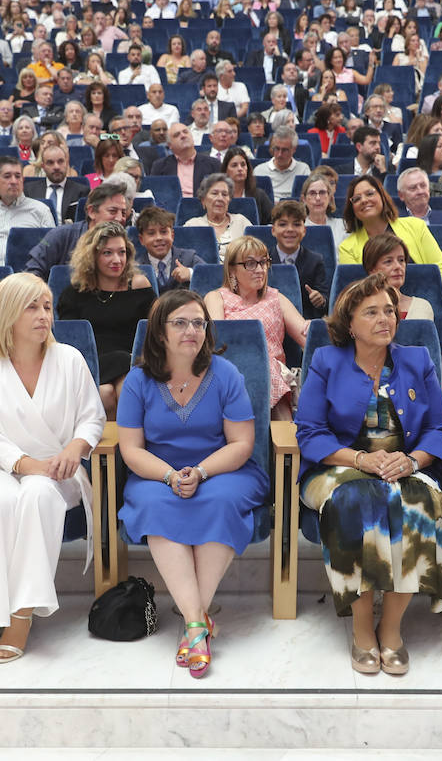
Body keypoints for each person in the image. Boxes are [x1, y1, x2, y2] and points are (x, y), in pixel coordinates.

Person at [294, 273, 442, 674]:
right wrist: (359, 460)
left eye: (389, 310)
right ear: (349, 323)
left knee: (418, 500)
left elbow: (439, 430)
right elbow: (310, 432)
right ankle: (361, 628)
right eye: (371, 312)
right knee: (360, 500)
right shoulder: (326, 361)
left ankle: (390, 628)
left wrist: (411, 461)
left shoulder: (417, 359)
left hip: (404, 465)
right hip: (338, 466)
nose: (384, 318)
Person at [117, 290, 268, 677]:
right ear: (159, 332)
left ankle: (193, 624)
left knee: (217, 500)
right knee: (155, 503)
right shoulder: (137, 380)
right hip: (156, 473)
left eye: (199, 322)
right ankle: (198, 622)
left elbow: (241, 443)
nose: (192, 330)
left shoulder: (226, 374)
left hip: (223, 470)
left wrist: (200, 472)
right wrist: (169, 476)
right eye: (181, 322)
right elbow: (131, 449)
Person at [0, 272, 105, 663]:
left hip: (59, 470)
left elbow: (92, 418)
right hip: (0, 468)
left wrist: (74, 449)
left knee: (38, 494)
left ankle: (20, 614)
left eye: (47, 306)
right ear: (8, 313)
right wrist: (24, 464)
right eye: (32, 307)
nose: (44, 315)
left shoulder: (69, 359)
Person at [55, 221, 155, 418]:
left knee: (124, 386)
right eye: (107, 253)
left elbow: (153, 331)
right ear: (92, 256)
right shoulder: (75, 293)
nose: (117, 259)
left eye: (122, 252)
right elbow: (71, 343)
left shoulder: (138, 285)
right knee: (105, 394)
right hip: (91, 364)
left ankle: (127, 444)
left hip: (133, 360)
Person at [204, 236, 309, 419]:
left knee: (267, 367)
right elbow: (215, 344)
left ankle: (285, 441)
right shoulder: (216, 298)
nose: (260, 270)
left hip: (273, 375)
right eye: (250, 264)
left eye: (264, 262)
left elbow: (308, 339)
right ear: (232, 270)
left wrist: (311, 328)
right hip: (229, 374)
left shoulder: (276, 298)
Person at [336, 174, 442, 301]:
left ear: (382, 196)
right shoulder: (347, 247)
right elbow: (356, 290)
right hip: (378, 313)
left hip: (430, 309)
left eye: (370, 193)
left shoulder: (416, 226)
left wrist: (429, 302)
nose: (364, 200)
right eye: (357, 199)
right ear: (352, 208)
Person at [23, 183, 130, 280]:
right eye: (113, 211)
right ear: (92, 212)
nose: (120, 218)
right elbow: (32, 272)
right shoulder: (61, 235)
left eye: (124, 213)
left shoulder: (126, 244)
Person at [0, 156, 57, 266]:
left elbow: (52, 248)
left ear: (22, 180)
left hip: (27, 276)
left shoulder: (40, 210)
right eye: (7, 176)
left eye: (18, 176)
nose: (14, 181)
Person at [271, 200, 328, 318]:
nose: (290, 229)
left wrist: (320, 300)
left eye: (296, 224)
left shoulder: (315, 261)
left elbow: (325, 299)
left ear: (304, 230)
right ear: (273, 230)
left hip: (304, 322)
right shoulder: (263, 260)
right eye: (283, 224)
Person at [360, 232, 434, 321]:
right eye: (388, 261)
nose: (398, 266)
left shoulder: (422, 307)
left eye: (401, 260)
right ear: (372, 269)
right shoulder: (358, 307)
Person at [136, 205, 206, 292]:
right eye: (151, 233)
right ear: (141, 239)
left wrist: (191, 273)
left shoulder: (189, 258)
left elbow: (212, 276)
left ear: (172, 235)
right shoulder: (137, 267)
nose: (159, 238)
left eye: (164, 232)